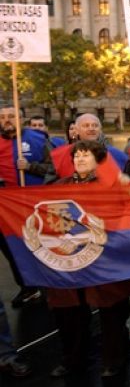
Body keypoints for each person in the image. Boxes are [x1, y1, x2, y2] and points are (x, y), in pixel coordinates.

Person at [48, 140, 130, 378]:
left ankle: (113, 358)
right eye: (76, 155)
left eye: (85, 155)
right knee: (70, 313)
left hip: (105, 258)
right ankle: (73, 359)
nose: (79, 159)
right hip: (71, 261)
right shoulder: (58, 186)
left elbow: (128, 214)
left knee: (111, 311)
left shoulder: (110, 186)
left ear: (98, 160)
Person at [0, 105, 52, 309]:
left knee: (38, 246)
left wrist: (30, 167)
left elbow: (53, 169)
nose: (7, 120)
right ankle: (28, 286)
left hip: (32, 206)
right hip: (4, 209)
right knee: (12, 250)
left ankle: (51, 285)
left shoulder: (38, 139)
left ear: (22, 119)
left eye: (12, 116)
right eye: (2, 117)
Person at [49, 113, 130, 180]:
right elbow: (51, 186)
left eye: (95, 125)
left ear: (100, 130)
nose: (91, 128)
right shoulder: (60, 155)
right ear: (77, 130)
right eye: (86, 125)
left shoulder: (118, 155)